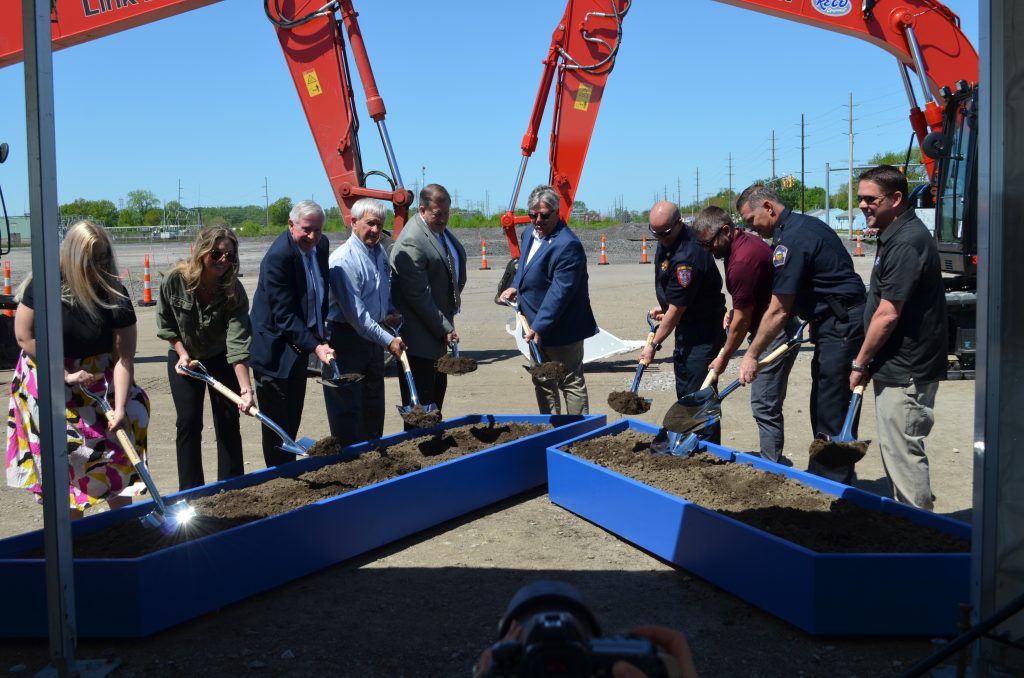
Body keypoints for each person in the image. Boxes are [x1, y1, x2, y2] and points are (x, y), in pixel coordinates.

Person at [6, 220, 149, 519]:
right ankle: (69, 535)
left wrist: (119, 407)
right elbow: (24, 337)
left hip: (99, 378)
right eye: (91, 259)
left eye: (104, 257)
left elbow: (124, 358)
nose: (100, 265)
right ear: (73, 257)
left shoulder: (115, 293)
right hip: (48, 370)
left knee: (128, 426)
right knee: (68, 452)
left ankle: (121, 526)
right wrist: (63, 374)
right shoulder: (45, 285)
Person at [736, 184, 866, 484]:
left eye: (751, 220)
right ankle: (826, 476)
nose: (752, 229)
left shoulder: (793, 238)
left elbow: (780, 310)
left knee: (831, 407)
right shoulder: (797, 228)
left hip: (841, 324)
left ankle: (833, 486)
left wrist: (752, 355)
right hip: (831, 323)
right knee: (822, 402)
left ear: (768, 207)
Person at [850, 165, 947, 510]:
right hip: (896, 362)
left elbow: (887, 314)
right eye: (860, 198)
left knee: (903, 455)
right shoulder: (893, 234)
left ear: (896, 198)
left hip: (906, 368)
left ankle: (920, 537)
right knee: (897, 451)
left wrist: (859, 362)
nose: (862, 205)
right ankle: (911, 528)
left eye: (869, 199)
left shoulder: (906, 242)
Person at [693, 205, 799, 464]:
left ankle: (770, 470)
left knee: (764, 404)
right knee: (765, 403)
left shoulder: (741, 259)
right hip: (767, 326)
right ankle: (770, 462)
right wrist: (735, 309)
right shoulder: (740, 244)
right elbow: (747, 302)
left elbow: (742, 322)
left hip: (775, 332)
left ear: (726, 230)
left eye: (709, 244)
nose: (708, 251)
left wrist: (724, 358)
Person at [156, 226, 255, 490]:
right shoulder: (175, 280)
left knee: (227, 421)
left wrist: (245, 390)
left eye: (230, 256)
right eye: (217, 254)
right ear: (202, 253)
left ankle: (231, 490)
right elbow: (166, 323)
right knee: (188, 423)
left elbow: (237, 343)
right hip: (183, 360)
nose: (223, 261)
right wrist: (182, 353)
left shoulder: (234, 292)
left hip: (220, 357)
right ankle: (191, 494)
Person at [498, 184, 598, 415]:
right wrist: (515, 287)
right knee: (542, 379)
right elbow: (524, 268)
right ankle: (549, 428)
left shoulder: (567, 245)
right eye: (533, 215)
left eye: (544, 215)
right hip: (533, 325)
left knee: (569, 381)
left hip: (563, 328)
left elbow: (560, 292)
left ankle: (577, 433)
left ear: (557, 212)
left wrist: (539, 327)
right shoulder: (528, 235)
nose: (538, 220)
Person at [249, 199, 333, 467]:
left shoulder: (321, 246)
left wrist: (320, 334)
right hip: (273, 351)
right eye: (307, 229)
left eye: (318, 230)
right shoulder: (278, 257)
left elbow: (318, 293)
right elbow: (284, 314)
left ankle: (288, 472)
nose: (313, 236)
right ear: (291, 224)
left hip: (298, 346)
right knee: (277, 426)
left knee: (293, 415)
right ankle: (278, 478)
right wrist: (316, 346)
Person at [640, 201, 726, 439]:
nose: (660, 238)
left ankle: (708, 449)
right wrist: (666, 306)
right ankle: (690, 440)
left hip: (704, 330)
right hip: (687, 324)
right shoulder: (668, 238)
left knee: (699, 393)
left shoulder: (688, 255)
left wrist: (653, 345)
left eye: (664, 233)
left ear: (679, 223)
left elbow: (678, 309)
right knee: (685, 386)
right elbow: (676, 301)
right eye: (654, 232)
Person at [325, 198, 406, 445]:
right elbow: (358, 318)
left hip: (372, 340)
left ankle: (374, 460)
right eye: (370, 223)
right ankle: (351, 467)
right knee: (349, 411)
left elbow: (382, 290)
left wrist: (390, 310)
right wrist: (389, 340)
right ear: (354, 222)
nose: (375, 230)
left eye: (379, 225)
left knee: (373, 406)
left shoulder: (378, 252)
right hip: (347, 340)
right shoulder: (343, 261)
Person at [389, 184, 467, 429]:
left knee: (436, 405)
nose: (443, 218)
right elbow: (418, 295)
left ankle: (432, 452)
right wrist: (444, 327)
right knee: (421, 411)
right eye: (437, 213)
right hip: (419, 340)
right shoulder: (412, 241)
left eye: (446, 213)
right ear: (422, 209)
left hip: (437, 333)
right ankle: (419, 459)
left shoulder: (438, 231)